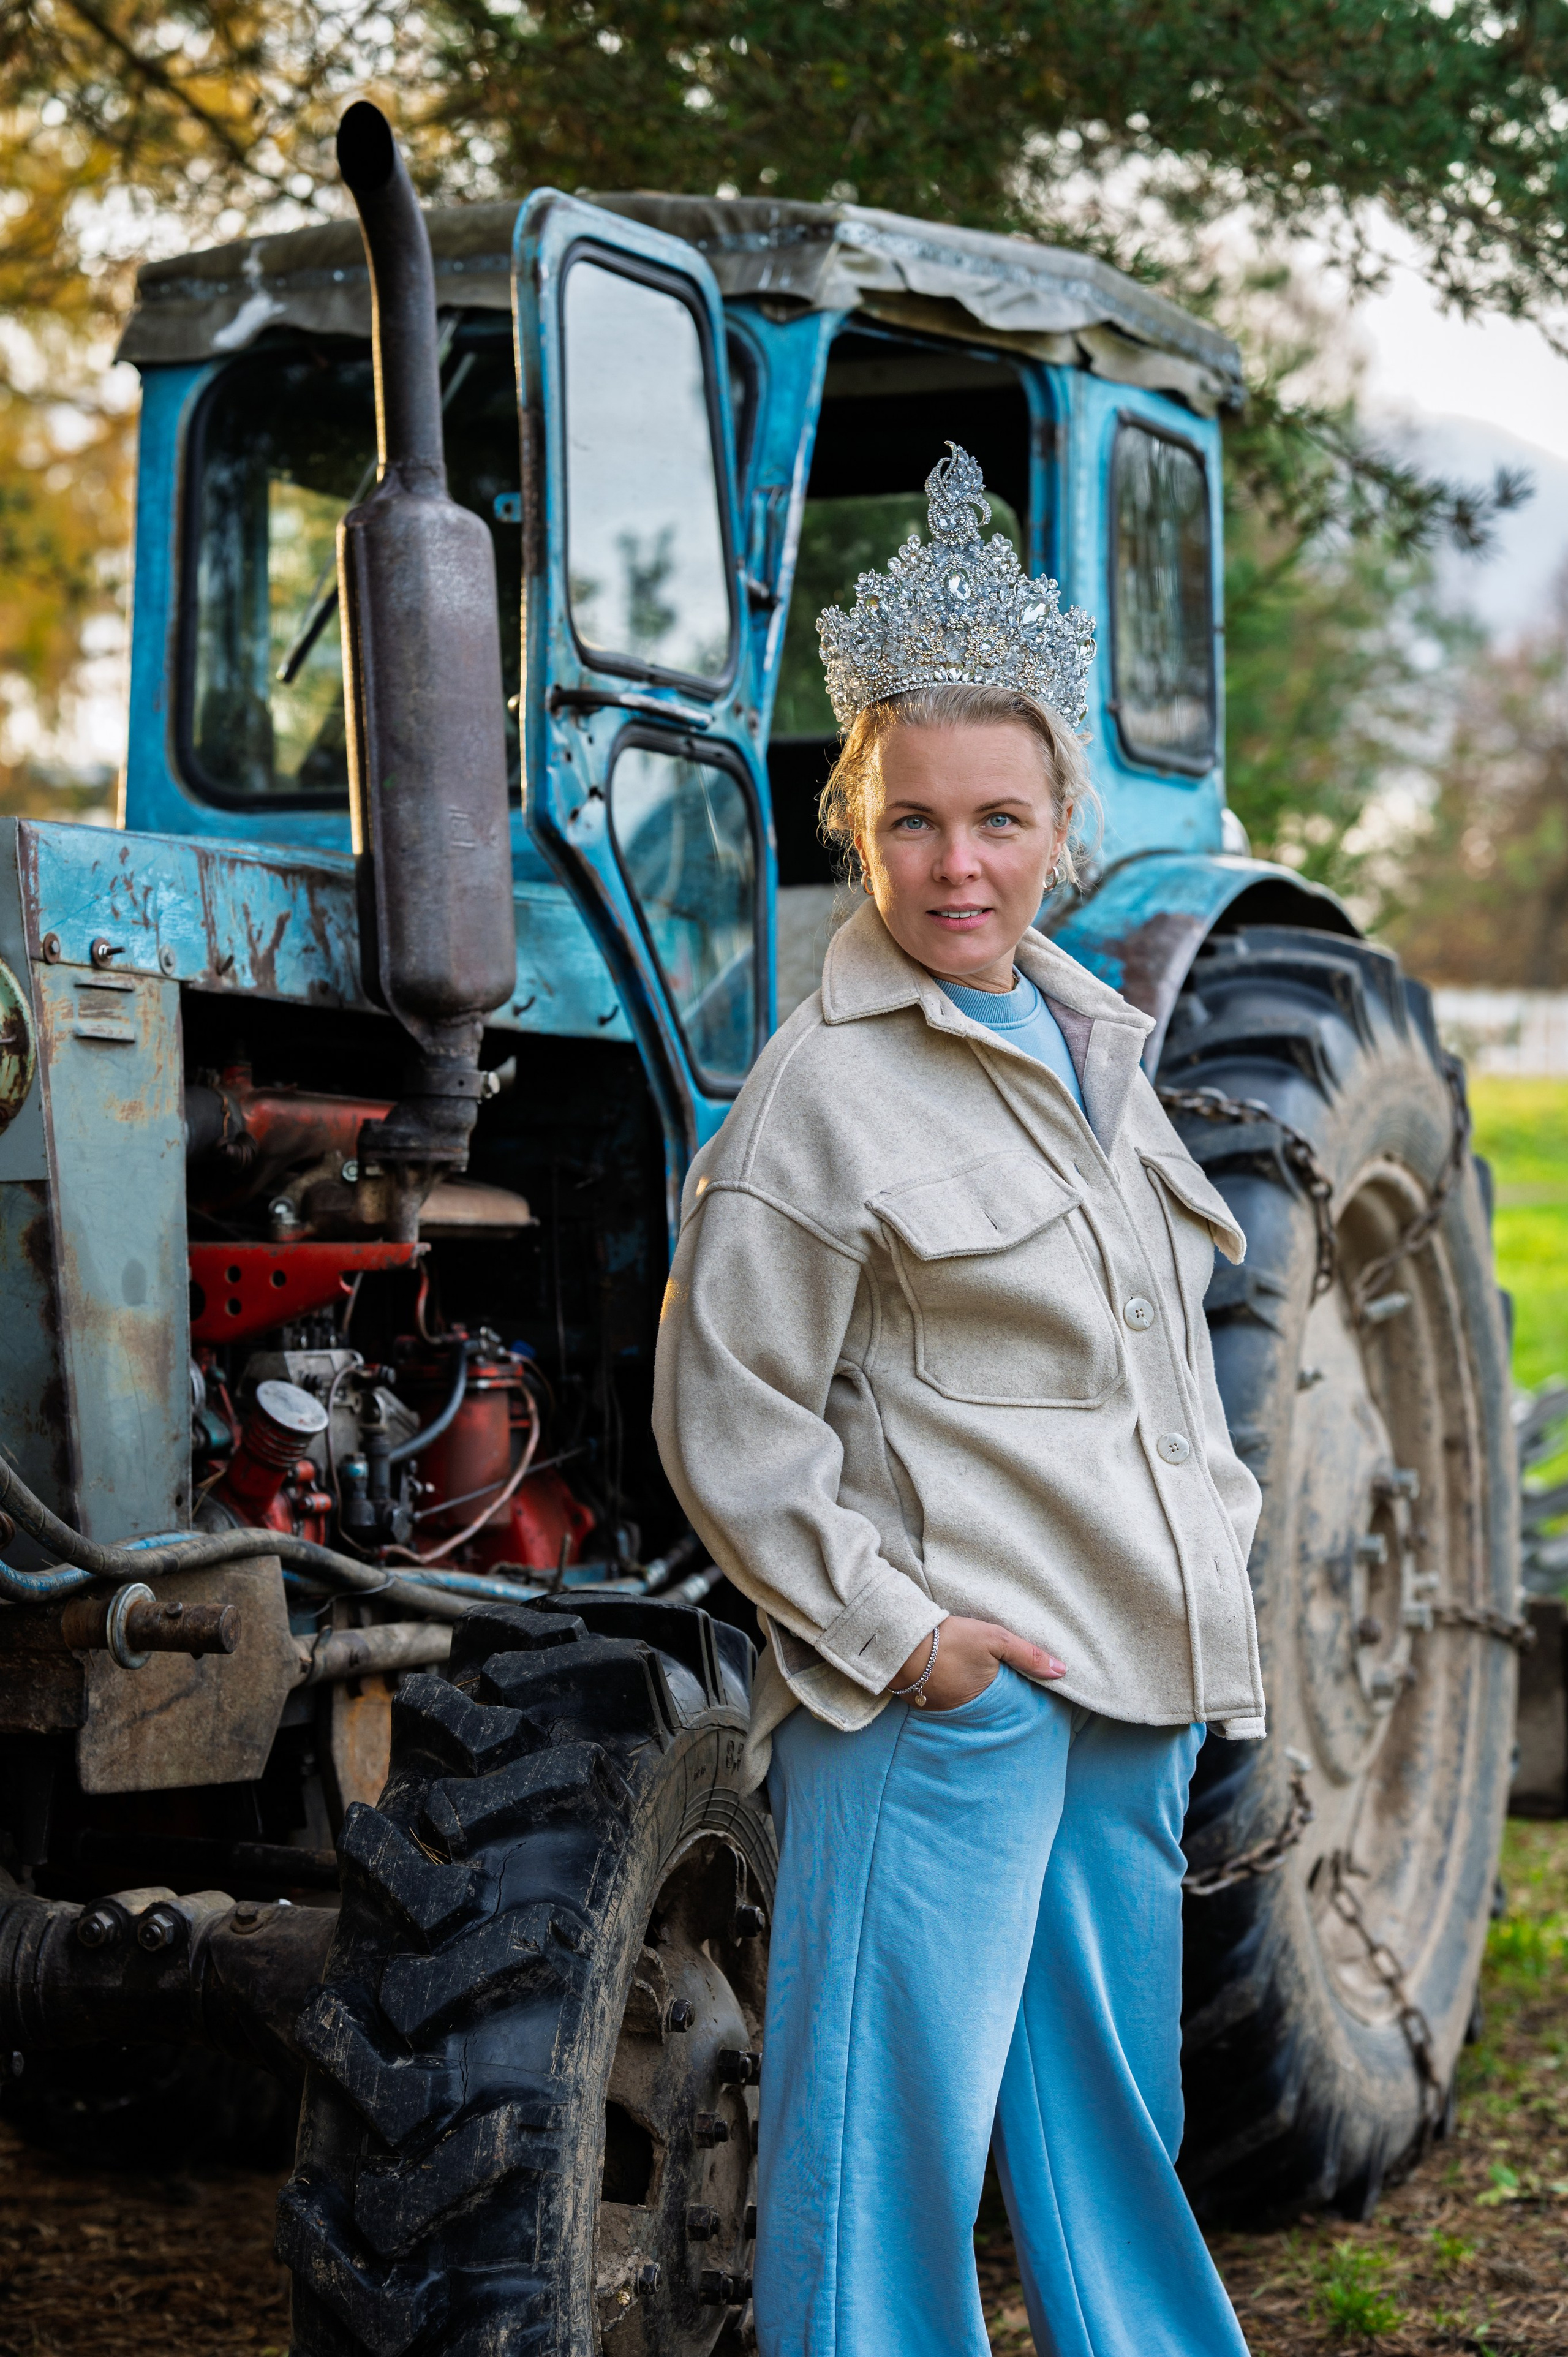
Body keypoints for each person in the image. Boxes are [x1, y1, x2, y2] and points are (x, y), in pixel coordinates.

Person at [652, 443, 1262, 2357]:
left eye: (999, 818)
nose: (958, 865)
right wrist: (910, 1644)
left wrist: (1217, 1562)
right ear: (859, 824)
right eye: (913, 821)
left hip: (1130, 1683)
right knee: (879, 2159)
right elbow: (730, 1413)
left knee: (1119, 2148)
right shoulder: (820, 1092)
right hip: (950, 1699)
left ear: (1062, 823)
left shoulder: (1093, 1042)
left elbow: (1161, 1350)